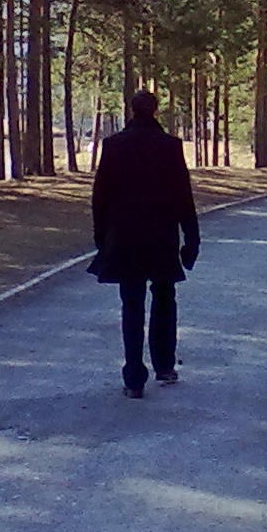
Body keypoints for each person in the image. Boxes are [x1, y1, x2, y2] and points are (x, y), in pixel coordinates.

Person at [89, 89, 200, 399]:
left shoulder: (113, 145)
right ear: (155, 111)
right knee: (164, 298)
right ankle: (164, 365)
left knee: (131, 304)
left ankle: (134, 378)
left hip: (125, 237)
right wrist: (191, 238)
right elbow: (183, 196)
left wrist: (102, 237)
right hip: (161, 235)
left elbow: (100, 196)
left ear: (131, 110)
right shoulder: (170, 146)